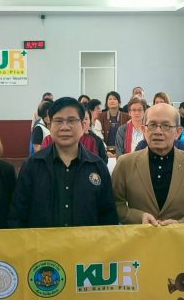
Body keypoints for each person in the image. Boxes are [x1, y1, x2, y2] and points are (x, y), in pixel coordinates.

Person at [8, 97, 117, 228]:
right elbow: (17, 215)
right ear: (49, 126)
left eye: (71, 121)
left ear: (83, 126)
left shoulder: (97, 166)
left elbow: (108, 217)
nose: (65, 127)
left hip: (86, 242)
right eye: (58, 121)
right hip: (42, 242)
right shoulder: (32, 166)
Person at [112, 103, 184, 225]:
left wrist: (181, 224)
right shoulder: (125, 163)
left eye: (166, 126)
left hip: (180, 236)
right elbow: (115, 203)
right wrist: (138, 217)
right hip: (139, 235)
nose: (158, 131)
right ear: (143, 129)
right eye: (152, 125)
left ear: (178, 132)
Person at [41, 106, 108, 162]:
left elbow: (97, 162)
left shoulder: (92, 140)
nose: (82, 122)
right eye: (59, 121)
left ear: (90, 121)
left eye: (86, 119)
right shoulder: (48, 139)